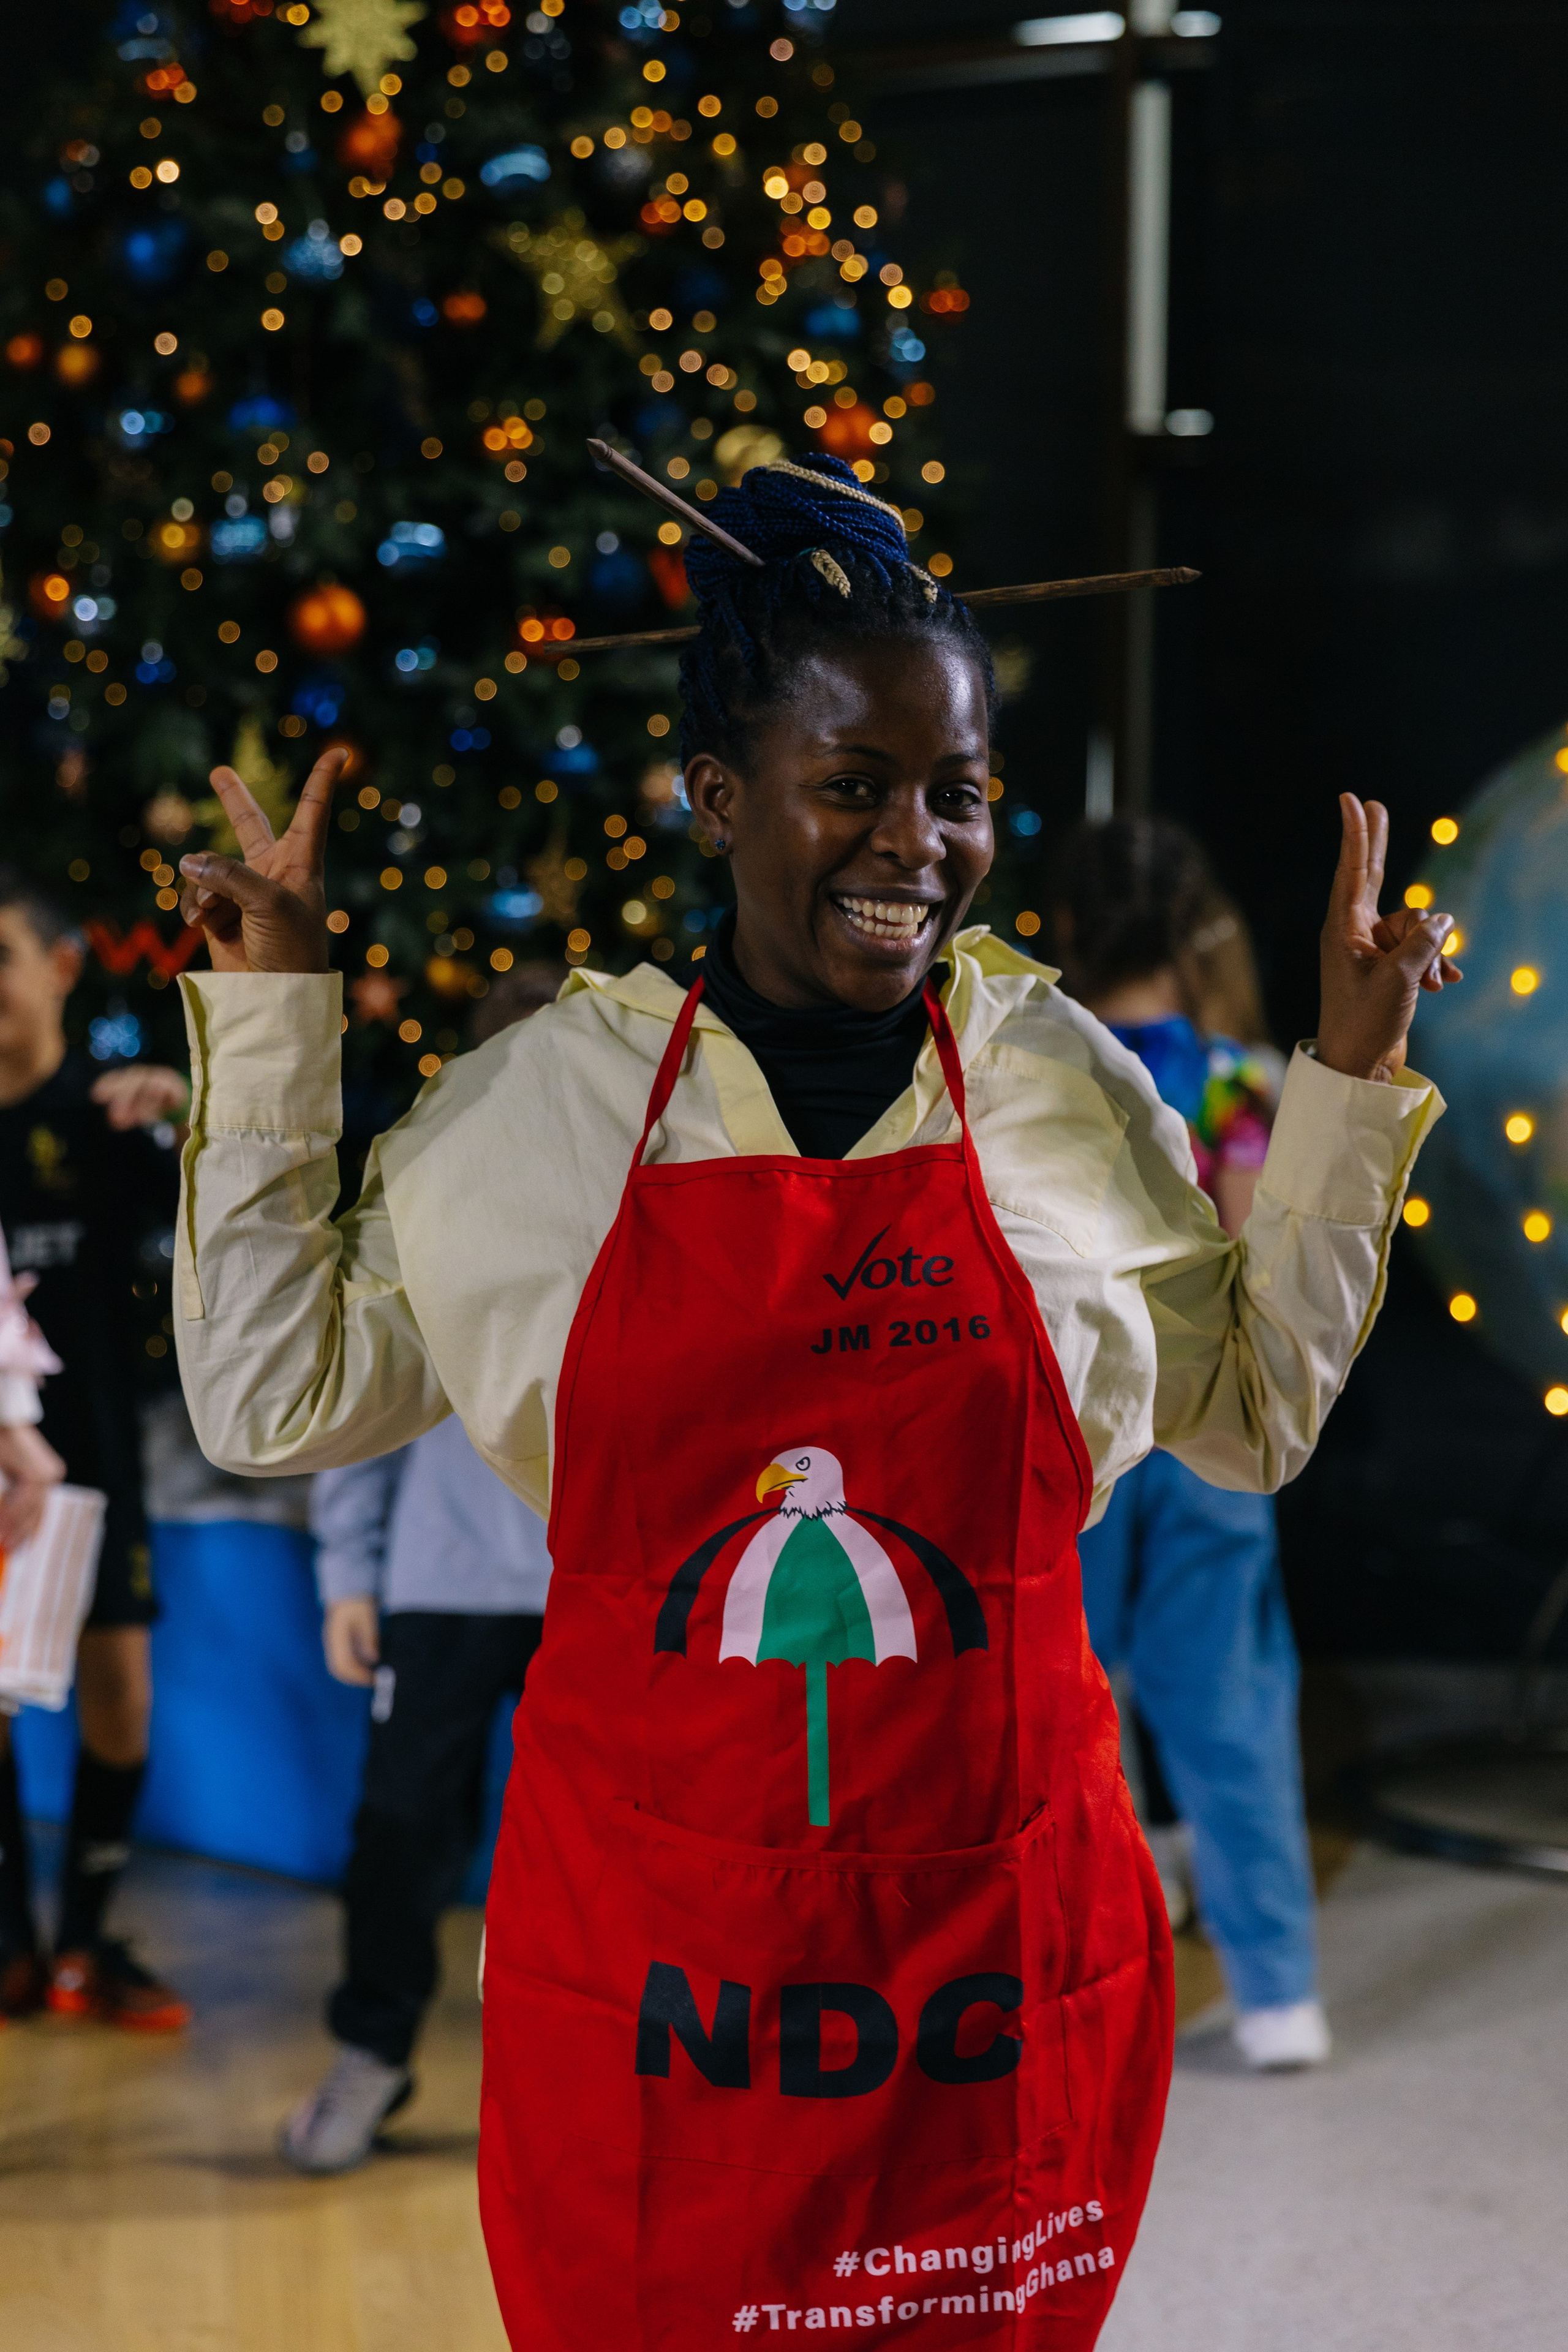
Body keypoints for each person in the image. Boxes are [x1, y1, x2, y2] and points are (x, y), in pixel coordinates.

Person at [170, 455, 1457, 2350]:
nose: (915, 844)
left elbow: (1252, 1421)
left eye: (961, 795)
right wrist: (277, 1028)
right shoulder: (554, 1109)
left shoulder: (1058, 1088)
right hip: (663, 1975)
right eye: (854, 786)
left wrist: (1344, 1092)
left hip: (997, 1965)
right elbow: (273, 1398)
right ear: (716, 799)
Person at [1054, 816, 1328, 2073]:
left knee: (1057, 1709)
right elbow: (1263, 1262)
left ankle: (1069, 1979)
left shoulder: (1036, 1074)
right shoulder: (1239, 1080)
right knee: (1230, 1705)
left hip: (1071, 1432)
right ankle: (1276, 1993)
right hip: (1207, 1429)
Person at [282, 964, 563, 2175]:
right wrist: (351, 1572)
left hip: (592, 1592)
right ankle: (374, 2051)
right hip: (440, 1588)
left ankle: (585, 2085)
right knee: (399, 1830)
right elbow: (363, 1402)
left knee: (594, 1854)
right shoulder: (431, 1205)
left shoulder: (656, 1205)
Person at [0, 869, 189, 2029]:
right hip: (4, 1459)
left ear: (61, 967)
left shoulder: (112, 1117)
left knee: (119, 1695)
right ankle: (11, 1947)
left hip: (97, 1451)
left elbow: (217, 1229)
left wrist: (183, 1110)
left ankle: (84, 1943)